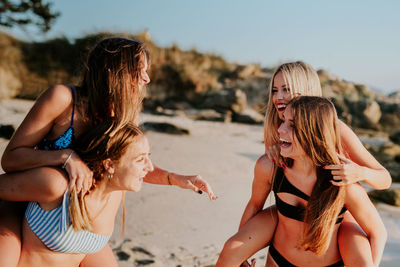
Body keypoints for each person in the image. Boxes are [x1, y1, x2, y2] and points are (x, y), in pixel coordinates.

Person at [0, 37, 216, 267]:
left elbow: (126, 166)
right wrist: (65, 157)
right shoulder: (63, 100)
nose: (147, 78)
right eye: (139, 69)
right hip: (25, 200)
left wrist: (175, 179)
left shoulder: (123, 115)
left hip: (78, 216)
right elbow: (10, 158)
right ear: (116, 71)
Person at [219, 61, 391, 266]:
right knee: (232, 251)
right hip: (289, 211)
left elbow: (385, 179)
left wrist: (360, 172)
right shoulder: (277, 127)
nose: (278, 97)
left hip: (335, 211)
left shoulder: (335, 128)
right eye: (275, 90)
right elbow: (267, 187)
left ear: (306, 91)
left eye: (286, 89)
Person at [1, 121, 155, 266]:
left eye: (148, 157)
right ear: (109, 165)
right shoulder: (58, 186)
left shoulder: (114, 194)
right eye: (140, 159)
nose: (150, 167)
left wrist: (173, 179)